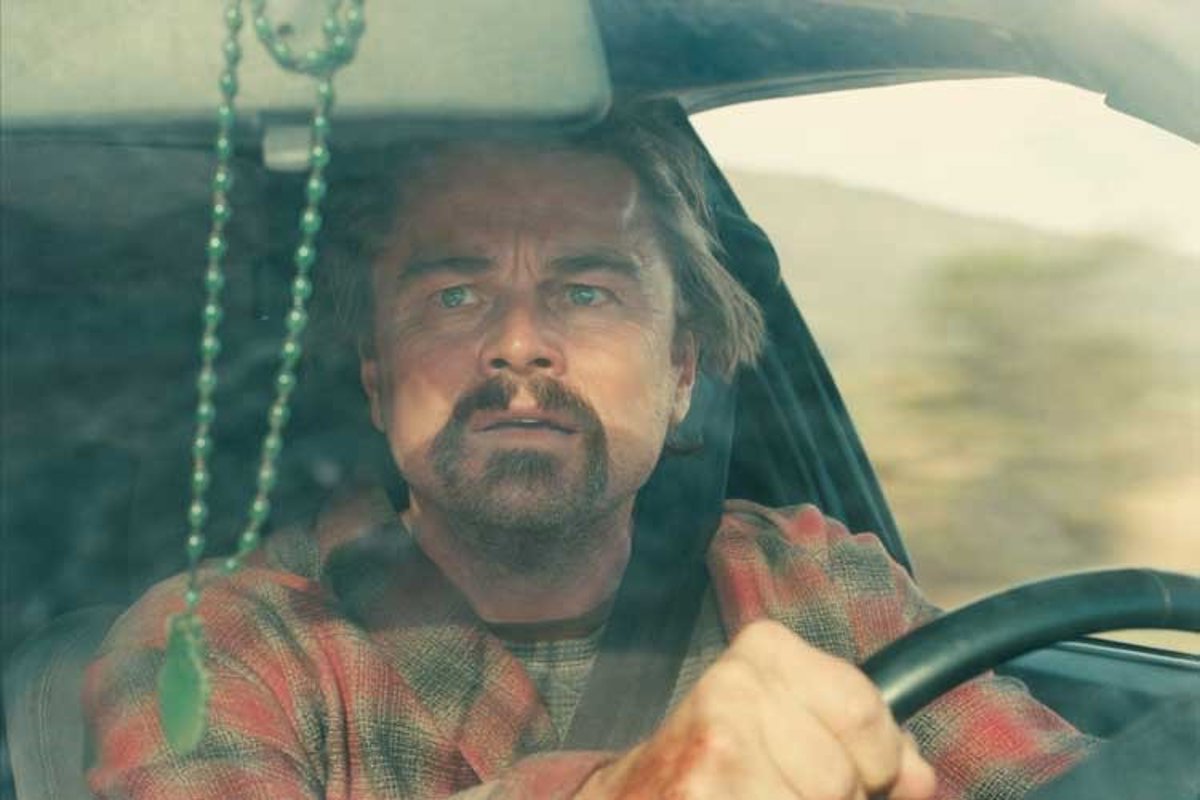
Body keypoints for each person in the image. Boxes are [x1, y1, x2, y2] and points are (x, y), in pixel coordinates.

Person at [84, 106, 1093, 799]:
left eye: (585, 291)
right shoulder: (219, 646)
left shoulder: (816, 586)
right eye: (455, 295)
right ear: (378, 378)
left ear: (682, 369)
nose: (519, 343)